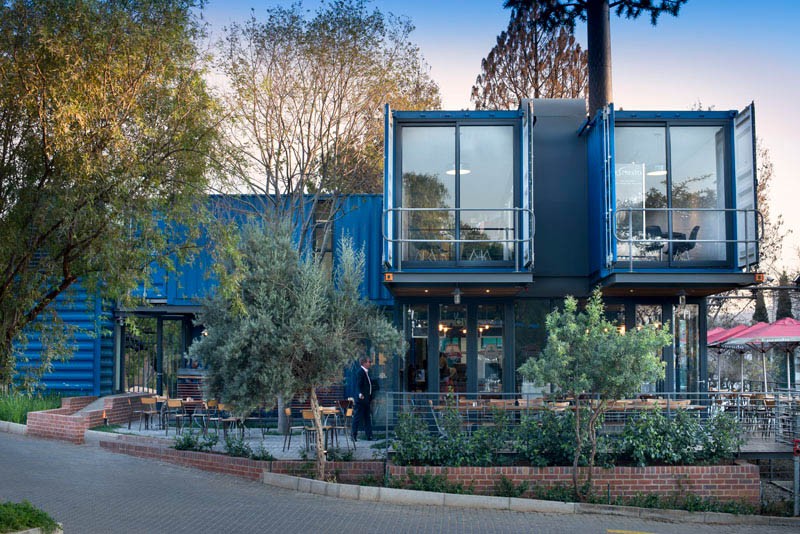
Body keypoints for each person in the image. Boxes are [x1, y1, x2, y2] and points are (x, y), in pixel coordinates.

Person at [351, 356, 373, 441]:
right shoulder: (360, 372)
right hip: (361, 399)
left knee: (367, 417)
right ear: (364, 363)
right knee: (357, 417)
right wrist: (360, 394)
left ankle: (369, 436)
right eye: (369, 361)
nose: (370, 363)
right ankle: (353, 436)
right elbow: (357, 384)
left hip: (367, 399)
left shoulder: (366, 372)